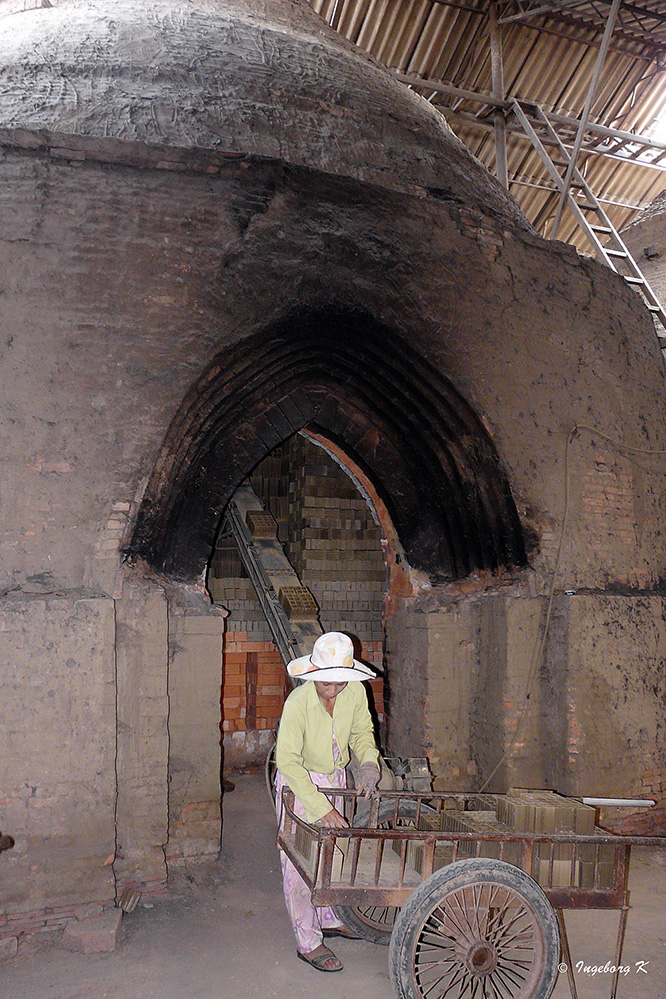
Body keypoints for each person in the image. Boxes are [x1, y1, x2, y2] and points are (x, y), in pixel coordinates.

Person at [275, 631, 381, 973]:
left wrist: (368, 764)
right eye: (326, 683)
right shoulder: (298, 703)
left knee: (332, 855)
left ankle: (330, 917)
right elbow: (287, 761)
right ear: (314, 674)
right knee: (299, 865)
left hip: (336, 780)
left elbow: (364, 734)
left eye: (339, 683)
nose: (332, 690)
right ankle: (308, 941)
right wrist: (322, 808)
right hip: (300, 784)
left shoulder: (356, 693)